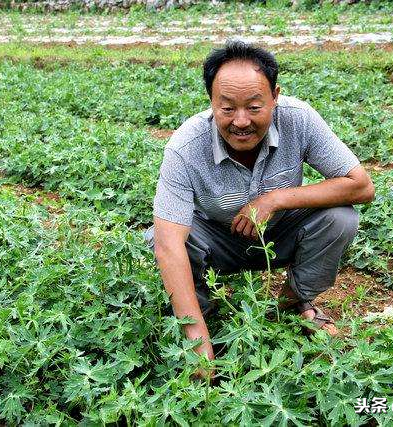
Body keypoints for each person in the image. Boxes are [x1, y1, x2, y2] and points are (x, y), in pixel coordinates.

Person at [146, 40, 374, 363]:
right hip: (218, 242)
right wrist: (195, 339)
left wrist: (275, 199)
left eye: (254, 107)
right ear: (211, 102)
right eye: (227, 108)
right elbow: (168, 245)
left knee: (341, 218)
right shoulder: (186, 147)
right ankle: (203, 316)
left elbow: (361, 186)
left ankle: (294, 302)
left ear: (275, 97)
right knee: (161, 236)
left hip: (279, 235)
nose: (241, 121)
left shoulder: (299, 120)